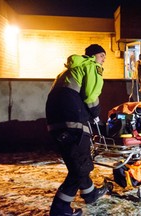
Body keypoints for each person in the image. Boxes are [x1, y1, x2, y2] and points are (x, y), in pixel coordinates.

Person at [45, 44, 108, 216]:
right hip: (73, 120)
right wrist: (96, 115)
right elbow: (91, 95)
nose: (103, 61)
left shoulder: (66, 71)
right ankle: (60, 210)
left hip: (55, 121)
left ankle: (90, 193)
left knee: (77, 162)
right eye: (103, 57)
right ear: (97, 55)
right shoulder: (91, 66)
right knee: (79, 167)